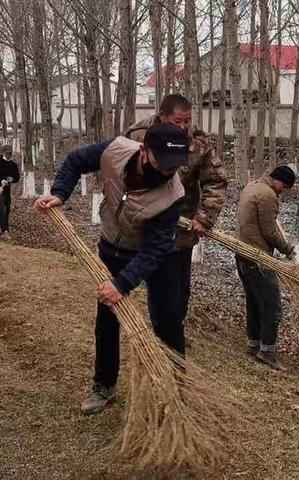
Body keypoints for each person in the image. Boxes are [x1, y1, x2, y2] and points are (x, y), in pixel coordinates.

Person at [35, 123, 189, 415]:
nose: (169, 171)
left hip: (156, 257)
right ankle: (104, 385)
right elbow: (75, 161)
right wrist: (60, 193)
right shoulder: (115, 151)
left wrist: (122, 284)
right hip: (112, 247)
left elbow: (154, 250)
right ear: (144, 150)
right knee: (106, 320)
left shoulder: (172, 194)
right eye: (164, 163)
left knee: (169, 321)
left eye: (175, 166)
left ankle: (176, 390)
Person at [124, 94, 227, 321]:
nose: (183, 127)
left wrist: (204, 217)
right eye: (177, 121)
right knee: (158, 285)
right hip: (147, 224)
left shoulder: (197, 144)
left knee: (180, 289)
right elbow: (121, 171)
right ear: (162, 117)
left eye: (187, 121)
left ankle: (175, 327)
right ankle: (161, 332)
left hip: (181, 228)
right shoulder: (137, 135)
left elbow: (216, 181)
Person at [235, 166, 297, 370]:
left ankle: (253, 345)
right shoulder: (268, 195)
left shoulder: (251, 186)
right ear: (278, 181)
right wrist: (288, 250)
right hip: (258, 257)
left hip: (242, 253)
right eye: (285, 187)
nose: (284, 191)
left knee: (254, 301)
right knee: (271, 305)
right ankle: (268, 351)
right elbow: (270, 231)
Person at [0, 144, 20, 240]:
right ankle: (4, 230)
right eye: (8, 153)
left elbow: (17, 178)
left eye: (11, 153)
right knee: (2, 209)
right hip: (0, 189)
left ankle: (5, 229)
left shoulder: (13, 165)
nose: (9, 155)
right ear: (4, 153)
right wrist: (2, 180)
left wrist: (12, 179)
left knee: (7, 210)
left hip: (6, 191)